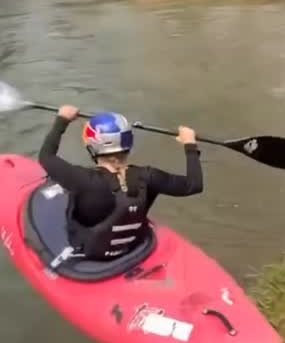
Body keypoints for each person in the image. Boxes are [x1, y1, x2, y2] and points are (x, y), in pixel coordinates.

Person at [38, 106, 203, 261]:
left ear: (92, 148)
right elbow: (193, 185)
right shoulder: (149, 176)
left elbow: (46, 156)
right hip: (132, 247)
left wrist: (62, 119)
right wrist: (190, 144)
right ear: (128, 144)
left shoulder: (82, 178)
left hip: (91, 252)